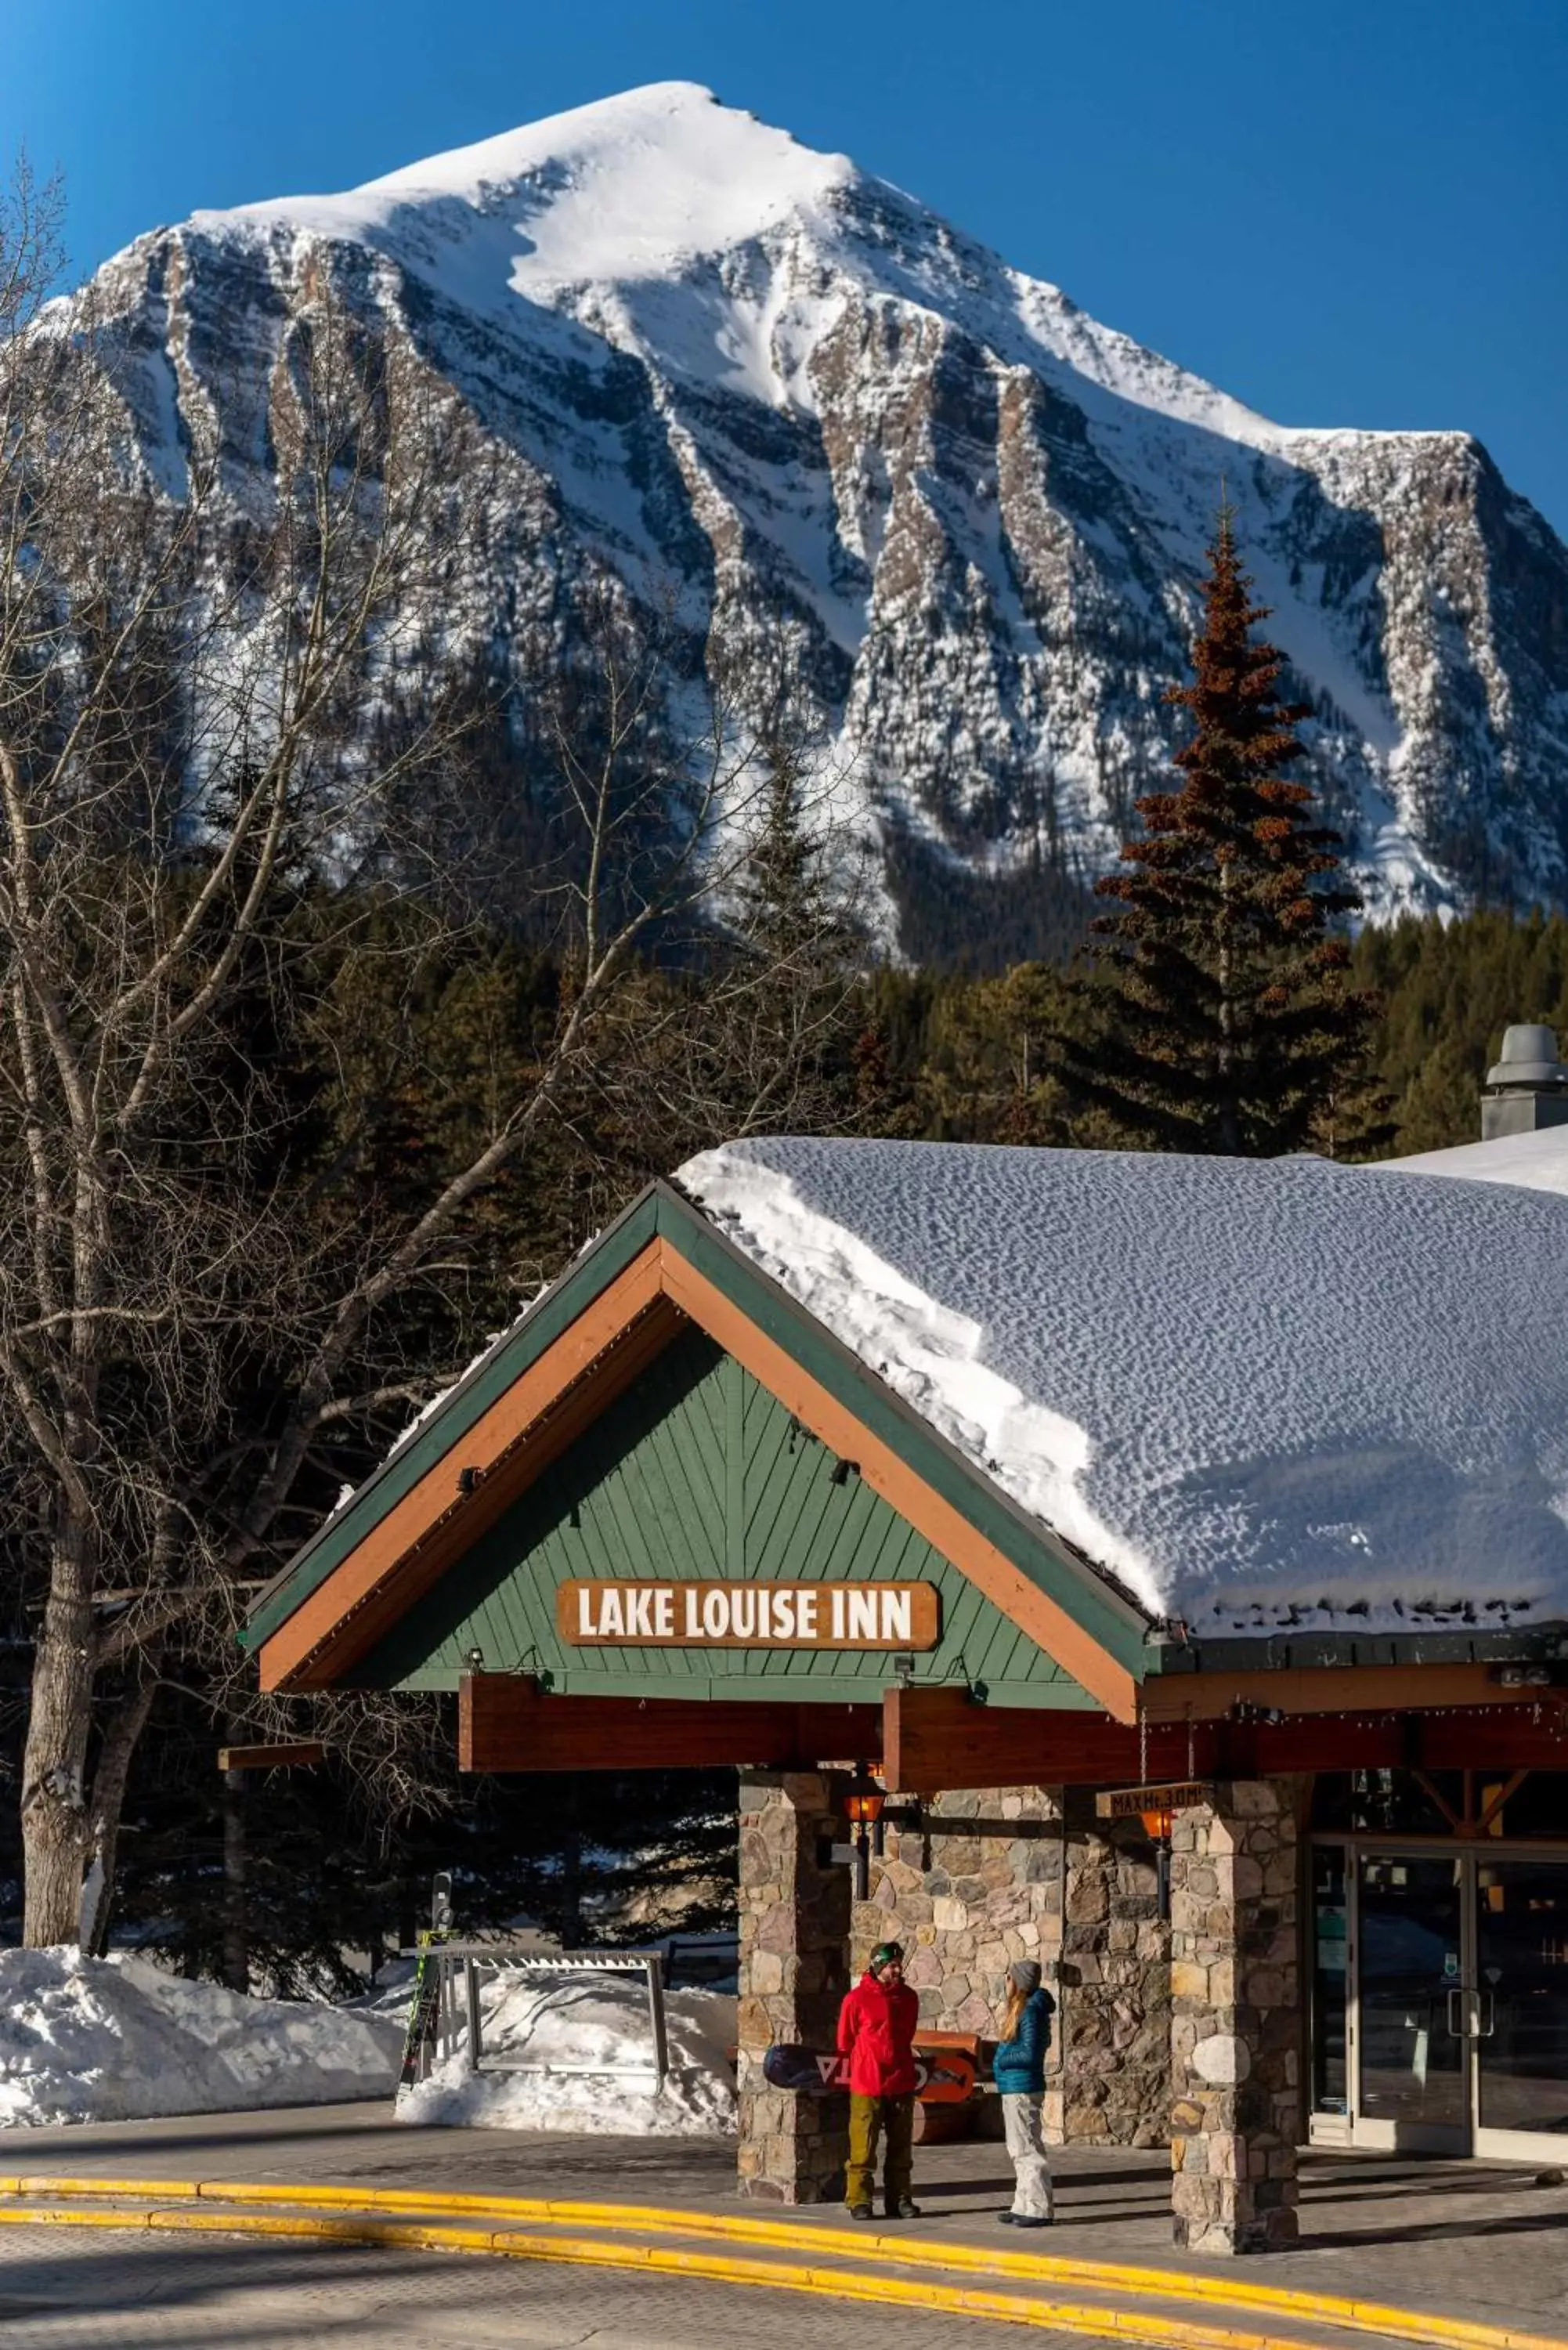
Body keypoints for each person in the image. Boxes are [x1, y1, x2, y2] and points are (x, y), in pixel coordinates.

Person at [836, 1940, 921, 2221]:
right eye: (892, 1965)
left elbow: (907, 2034)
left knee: (901, 2147)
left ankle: (900, 2198)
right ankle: (859, 2199)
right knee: (863, 2145)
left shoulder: (908, 1998)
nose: (898, 1970)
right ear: (878, 1966)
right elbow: (845, 2041)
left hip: (901, 2080)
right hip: (867, 2082)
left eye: (899, 1965)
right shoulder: (855, 2000)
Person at [993, 1958, 1055, 2226]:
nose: (1006, 1982)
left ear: (1017, 1983)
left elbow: (1030, 2053)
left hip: (1021, 2087)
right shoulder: (1025, 2010)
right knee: (1018, 2148)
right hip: (1014, 2087)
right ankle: (1022, 2204)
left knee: (1027, 2148)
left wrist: (1003, 2061)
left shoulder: (1030, 2012)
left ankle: (1038, 2209)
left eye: (1008, 1978)